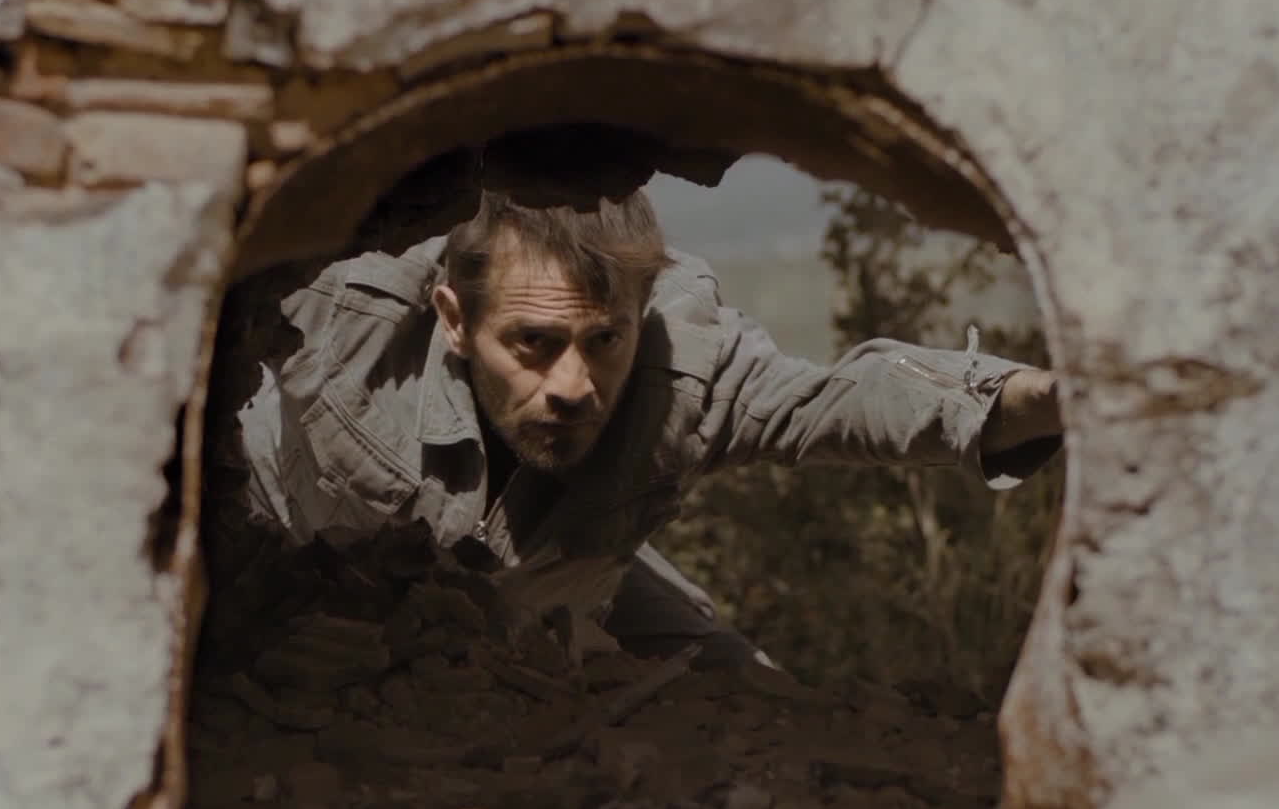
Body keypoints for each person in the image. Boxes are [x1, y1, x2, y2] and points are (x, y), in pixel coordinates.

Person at [198, 151, 1065, 677]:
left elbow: (838, 401)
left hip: (562, 572)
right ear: (454, 320)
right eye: (534, 344)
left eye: (604, 340)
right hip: (307, 540)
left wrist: (1043, 399)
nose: (575, 385)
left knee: (743, 692)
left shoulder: (679, 361)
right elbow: (171, 377)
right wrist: (249, 609)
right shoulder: (346, 310)